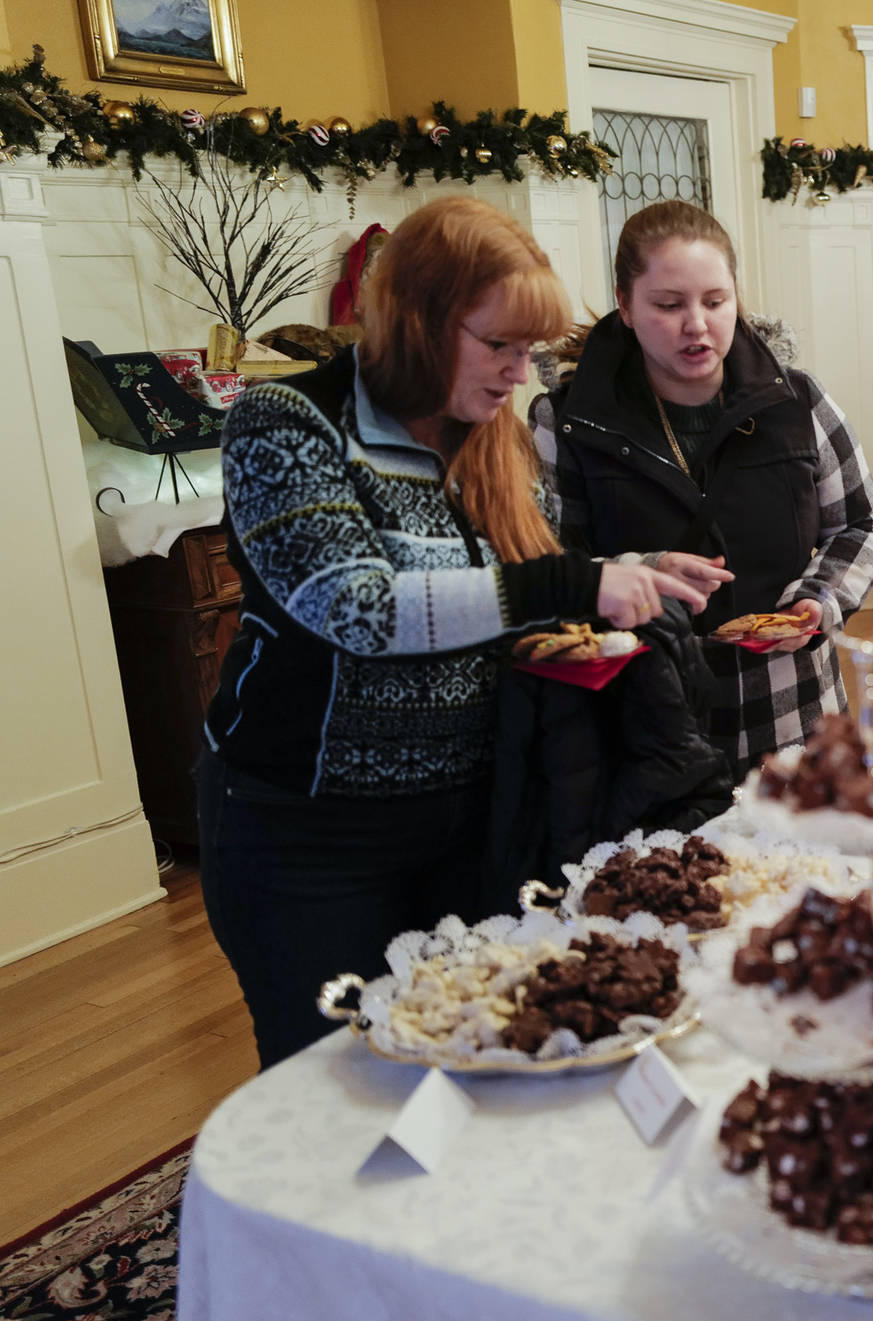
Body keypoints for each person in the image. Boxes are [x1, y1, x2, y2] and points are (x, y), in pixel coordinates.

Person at [199, 198, 707, 1067]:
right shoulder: (285, 422)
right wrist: (577, 581)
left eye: (529, 349)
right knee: (337, 1079)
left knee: (476, 1053)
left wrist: (629, 570)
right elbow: (357, 607)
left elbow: (514, 584)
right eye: (499, 343)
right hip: (308, 835)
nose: (518, 373)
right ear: (418, 322)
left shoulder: (491, 437)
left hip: (474, 816)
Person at [543, 200, 873, 769]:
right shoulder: (566, 421)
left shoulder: (797, 400)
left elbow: (862, 521)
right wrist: (643, 570)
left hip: (794, 711)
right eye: (668, 304)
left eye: (715, 301)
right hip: (648, 722)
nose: (697, 325)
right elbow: (544, 568)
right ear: (624, 305)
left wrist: (817, 600)